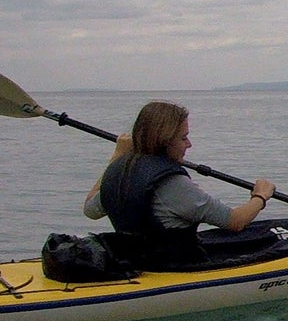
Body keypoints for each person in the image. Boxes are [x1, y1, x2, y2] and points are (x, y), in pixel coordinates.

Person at [84, 101, 277, 266]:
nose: (189, 144)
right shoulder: (172, 183)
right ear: (165, 141)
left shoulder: (119, 170)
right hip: (178, 267)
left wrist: (117, 156)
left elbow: (90, 209)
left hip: (136, 262)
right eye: (183, 137)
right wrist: (260, 196)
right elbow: (236, 221)